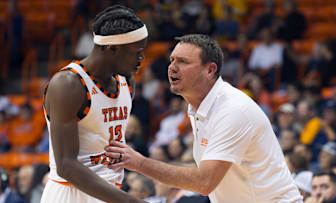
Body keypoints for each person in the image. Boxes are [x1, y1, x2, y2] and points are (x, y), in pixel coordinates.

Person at [105, 34, 302, 202]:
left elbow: (204, 182)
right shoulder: (198, 107)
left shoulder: (233, 110)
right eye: (172, 60)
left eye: (183, 61)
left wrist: (140, 163)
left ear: (210, 70)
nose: (172, 67)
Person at [41, 5, 148, 203]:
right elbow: (66, 166)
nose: (142, 58)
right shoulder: (68, 84)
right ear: (112, 48)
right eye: (137, 51)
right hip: (71, 193)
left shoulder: (127, 82)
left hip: (109, 192)